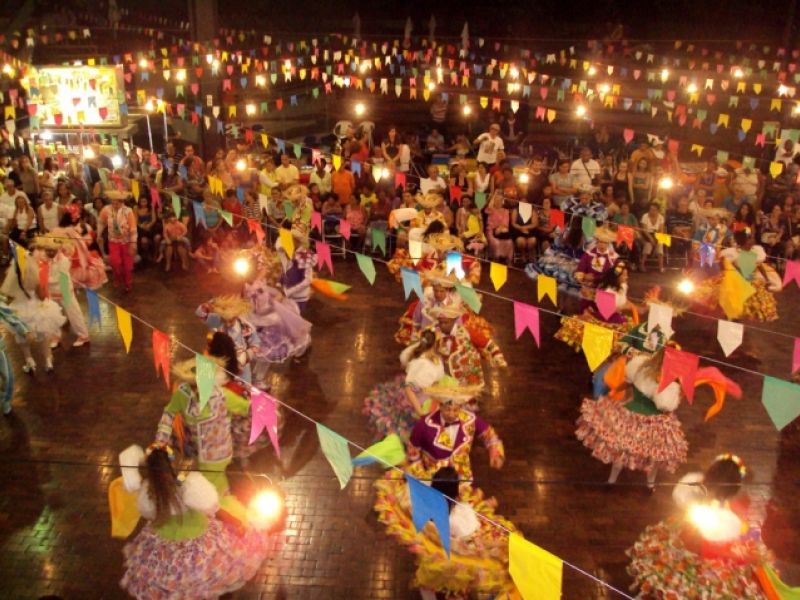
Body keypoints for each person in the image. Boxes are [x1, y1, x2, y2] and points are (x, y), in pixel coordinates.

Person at [117, 443, 279, 599]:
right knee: (209, 574)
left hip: (162, 546)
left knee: (172, 582)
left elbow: (148, 513)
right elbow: (212, 507)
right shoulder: (190, 484)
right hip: (196, 542)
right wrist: (237, 523)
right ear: (174, 463)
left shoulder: (148, 491)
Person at [628, 454, 778, 598]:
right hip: (705, 557)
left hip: (686, 538)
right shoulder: (726, 519)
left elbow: (680, 498)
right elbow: (711, 548)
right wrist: (744, 556)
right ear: (733, 490)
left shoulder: (690, 484)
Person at [374, 465, 519, 600]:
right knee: (450, 585)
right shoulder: (458, 518)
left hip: (431, 553)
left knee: (428, 584)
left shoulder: (422, 500)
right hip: (449, 558)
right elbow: (470, 537)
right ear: (454, 491)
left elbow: (408, 492)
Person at [577, 348, 688, 489]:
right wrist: (678, 394)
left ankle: (612, 480)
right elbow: (665, 406)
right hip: (654, 423)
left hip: (630, 414)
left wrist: (616, 392)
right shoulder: (669, 384)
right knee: (654, 455)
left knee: (621, 448)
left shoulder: (640, 366)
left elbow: (626, 383)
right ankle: (650, 484)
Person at [406, 378, 504, 480]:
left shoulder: (470, 420)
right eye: (447, 410)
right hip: (434, 477)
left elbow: (490, 435)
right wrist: (419, 475)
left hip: (462, 475)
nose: (451, 414)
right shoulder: (424, 424)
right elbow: (413, 449)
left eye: (456, 410)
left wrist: (496, 453)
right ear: (440, 406)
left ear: (460, 407)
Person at [240, 252, 312, 385]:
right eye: (263, 266)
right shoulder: (254, 288)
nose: (265, 269)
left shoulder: (255, 283)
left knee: (264, 355)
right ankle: (258, 379)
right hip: (263, 323)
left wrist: (276, 299)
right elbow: (259, 309)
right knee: (266, 353)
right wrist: (274, 305)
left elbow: (264, 295)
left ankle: (257, 377)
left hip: (261, 321)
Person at [363, 330, 445, 442]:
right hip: (417, 401)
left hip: (426, 396)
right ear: (435, 345)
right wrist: (420, 412)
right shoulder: (426, 364)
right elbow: (409, 389)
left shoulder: (423, 358)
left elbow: (405, 363)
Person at [0, 250, 66, 373]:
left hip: (19, 311)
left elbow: (8, 298)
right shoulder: (34, 279)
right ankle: (48, 361)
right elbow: (41, 296)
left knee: (21, 337)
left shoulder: (13, 282)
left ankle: (29, 361)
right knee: (43, 336)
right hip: (37, 310)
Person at [555, 259, 641, 351]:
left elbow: (624, 301)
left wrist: (636, 307)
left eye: (627, 274)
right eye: (624, 275)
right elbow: (607, 311)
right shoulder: (607, 291)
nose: (627, 277)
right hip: (606, 318)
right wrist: (626, 307)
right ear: (617, 277)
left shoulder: (623, 285)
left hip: (616, 316)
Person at [31, 234, 90, 348]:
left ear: (58, 249)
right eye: (47, 250)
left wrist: (42, 278)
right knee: (53, 314)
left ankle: (83, 335)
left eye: (52, 250)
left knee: (74, 313)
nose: (49, 252)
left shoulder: (64, 260)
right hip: (51, 290)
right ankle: (55, 337)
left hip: (64, 288)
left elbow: (59, 278)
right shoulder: (45, 258)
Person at [428, 304, 506, 387]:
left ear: (454, 321)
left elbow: (487, 343)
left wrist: (497, 356)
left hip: (470, 380)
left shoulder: (466, 332)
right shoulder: (436, 334)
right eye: (440, 323)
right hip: (449, 381)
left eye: (446, 323)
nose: (442, 325)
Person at [196, 296, 259, 385]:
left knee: (241, 390)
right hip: (219, 363)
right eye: (224, 320)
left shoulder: (246, 327)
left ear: (236, 316)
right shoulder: (217, 320)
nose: (227, 324)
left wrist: (245, 357)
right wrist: (211, 303)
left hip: (241, 369)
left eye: (231, 321)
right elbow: (200, 314)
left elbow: (256, 344)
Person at [98, 190, 137, 292]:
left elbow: (133, 228)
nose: (115, 204)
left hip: (127, 242)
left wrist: (133, 243)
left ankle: (128, 283)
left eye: (117, 202)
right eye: (113, 201)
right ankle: (117, 278)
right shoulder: (106, 210)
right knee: (115, 262)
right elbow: (101, 222)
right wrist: (99, 234)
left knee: (127, 266)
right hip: (113, 241)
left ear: (122, 201)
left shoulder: (128, 211)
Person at [486, 192, 514, 265]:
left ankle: (508, 260)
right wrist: (495, 194)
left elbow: (506, 223)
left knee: (510, 242)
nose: (498, 202)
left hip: (502, 230)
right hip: (491, 230)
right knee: (496, 243)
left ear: (502, 201)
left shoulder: (506, 211)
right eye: (497, 200)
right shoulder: (490, 209)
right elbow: (489, 206)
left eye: (500, 200)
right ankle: (496, 259)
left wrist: (500, 228)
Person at [639, 202, 666, 272]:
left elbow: (661, 230)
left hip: (657, 235)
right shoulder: (645, 216)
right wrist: (651, 239)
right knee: (648, 245)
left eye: (654, 210)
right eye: (650, 209)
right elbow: (644, 230)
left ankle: (661, 267)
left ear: (658, 210)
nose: (652, 211)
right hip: (646, 235)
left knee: (660, 244)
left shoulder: (661, 217)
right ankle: (642, 265)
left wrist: (657, 239)